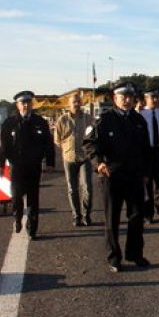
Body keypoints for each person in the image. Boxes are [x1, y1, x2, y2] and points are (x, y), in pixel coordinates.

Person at [84, 82, 153, 272]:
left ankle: (135, 253)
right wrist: (98, 163)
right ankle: (114, 257)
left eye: (130, 96)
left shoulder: (139, 121)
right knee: (112, 218)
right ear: (114, 98)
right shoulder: (104, 120)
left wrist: (147, 173)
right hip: (111, 177)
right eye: (123, 96)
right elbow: (89, 144)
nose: (127, 100)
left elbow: (146, 150)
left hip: (135, 177)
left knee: (136, 217)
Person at [0, 91, 55, 239]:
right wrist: (1, 164)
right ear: (17, 105)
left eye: (28, 102)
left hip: (34, 166)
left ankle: (32, 229)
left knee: (33, 199)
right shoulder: (9, 123)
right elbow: (3, 146)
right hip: (17, 166)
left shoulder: (40, 122)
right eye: (22, 103)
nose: (26, 105)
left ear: (32, 104)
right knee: (16, 196)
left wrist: (50, 162)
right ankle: (17, 218)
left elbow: (48, 144)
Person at [54, 93, 94, 227]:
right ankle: (76, 216)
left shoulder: (89, 119)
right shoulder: (62, 120)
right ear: (68, 104)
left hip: (85, 158)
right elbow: (57, 140)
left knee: (87, 187)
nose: (76, 104)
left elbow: (94, 136)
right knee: (72, 189)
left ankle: (86, 215)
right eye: (73, 102)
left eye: (78, 101)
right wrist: (67, 147)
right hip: (69, 158)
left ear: (81, 103)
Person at [140, 89, 159, 222]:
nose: (156, 100)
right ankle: (148, 214)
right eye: (153, 97)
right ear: (145, 99)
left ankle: (156, 201)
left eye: (157, 97)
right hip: (145, 151)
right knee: (147, 182)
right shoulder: (141, 113)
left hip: (158, 150)